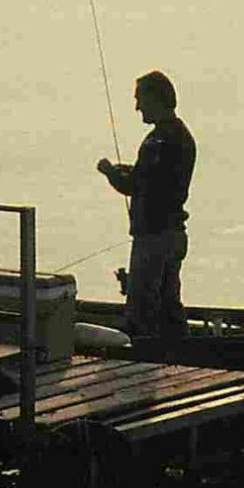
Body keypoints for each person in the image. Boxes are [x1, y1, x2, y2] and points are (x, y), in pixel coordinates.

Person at [97, 70, 196, 341]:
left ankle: (145, 357)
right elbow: (150, 176)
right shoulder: (178, 135)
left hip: (155, 237)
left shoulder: (160, 140)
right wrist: (127, 170)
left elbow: (134, 185)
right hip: (173, 235)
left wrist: (109, 171)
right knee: (169, 304)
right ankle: (186, 353)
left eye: (140, 99)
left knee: (143, 306)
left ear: (156, 98)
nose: (137, 106)